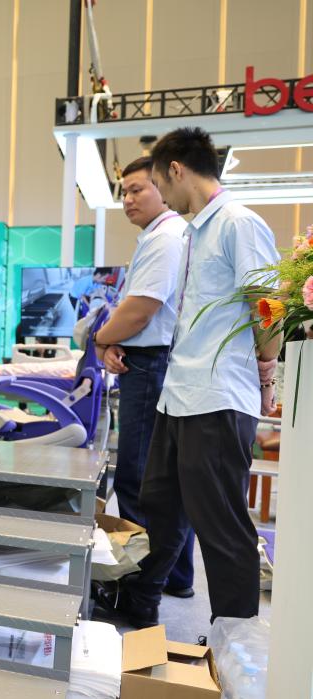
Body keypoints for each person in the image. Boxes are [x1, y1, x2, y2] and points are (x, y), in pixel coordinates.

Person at [97, 127, 280, 628]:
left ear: (175, 170)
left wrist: (266, 372)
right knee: (158, 506)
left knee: (221, 524)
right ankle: (140, 601)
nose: (158, 194)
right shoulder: (194, 231)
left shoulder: (239, 224)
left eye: (156, 183)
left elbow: (268, 307)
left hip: (217, 396)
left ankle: (233, 637)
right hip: (178, 395)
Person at [92, 156, 195, 598]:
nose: (128, 199)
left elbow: (139, 311)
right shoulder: (162, 236)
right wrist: (116, 341)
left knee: (140, 479)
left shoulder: (165, 238)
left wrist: (100, 339)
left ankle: (138, 588)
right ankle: (173, 577)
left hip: (152, 366)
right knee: (164, 479)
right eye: (124, 192)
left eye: (138, 189)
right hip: (150, 359)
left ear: (163, 187)